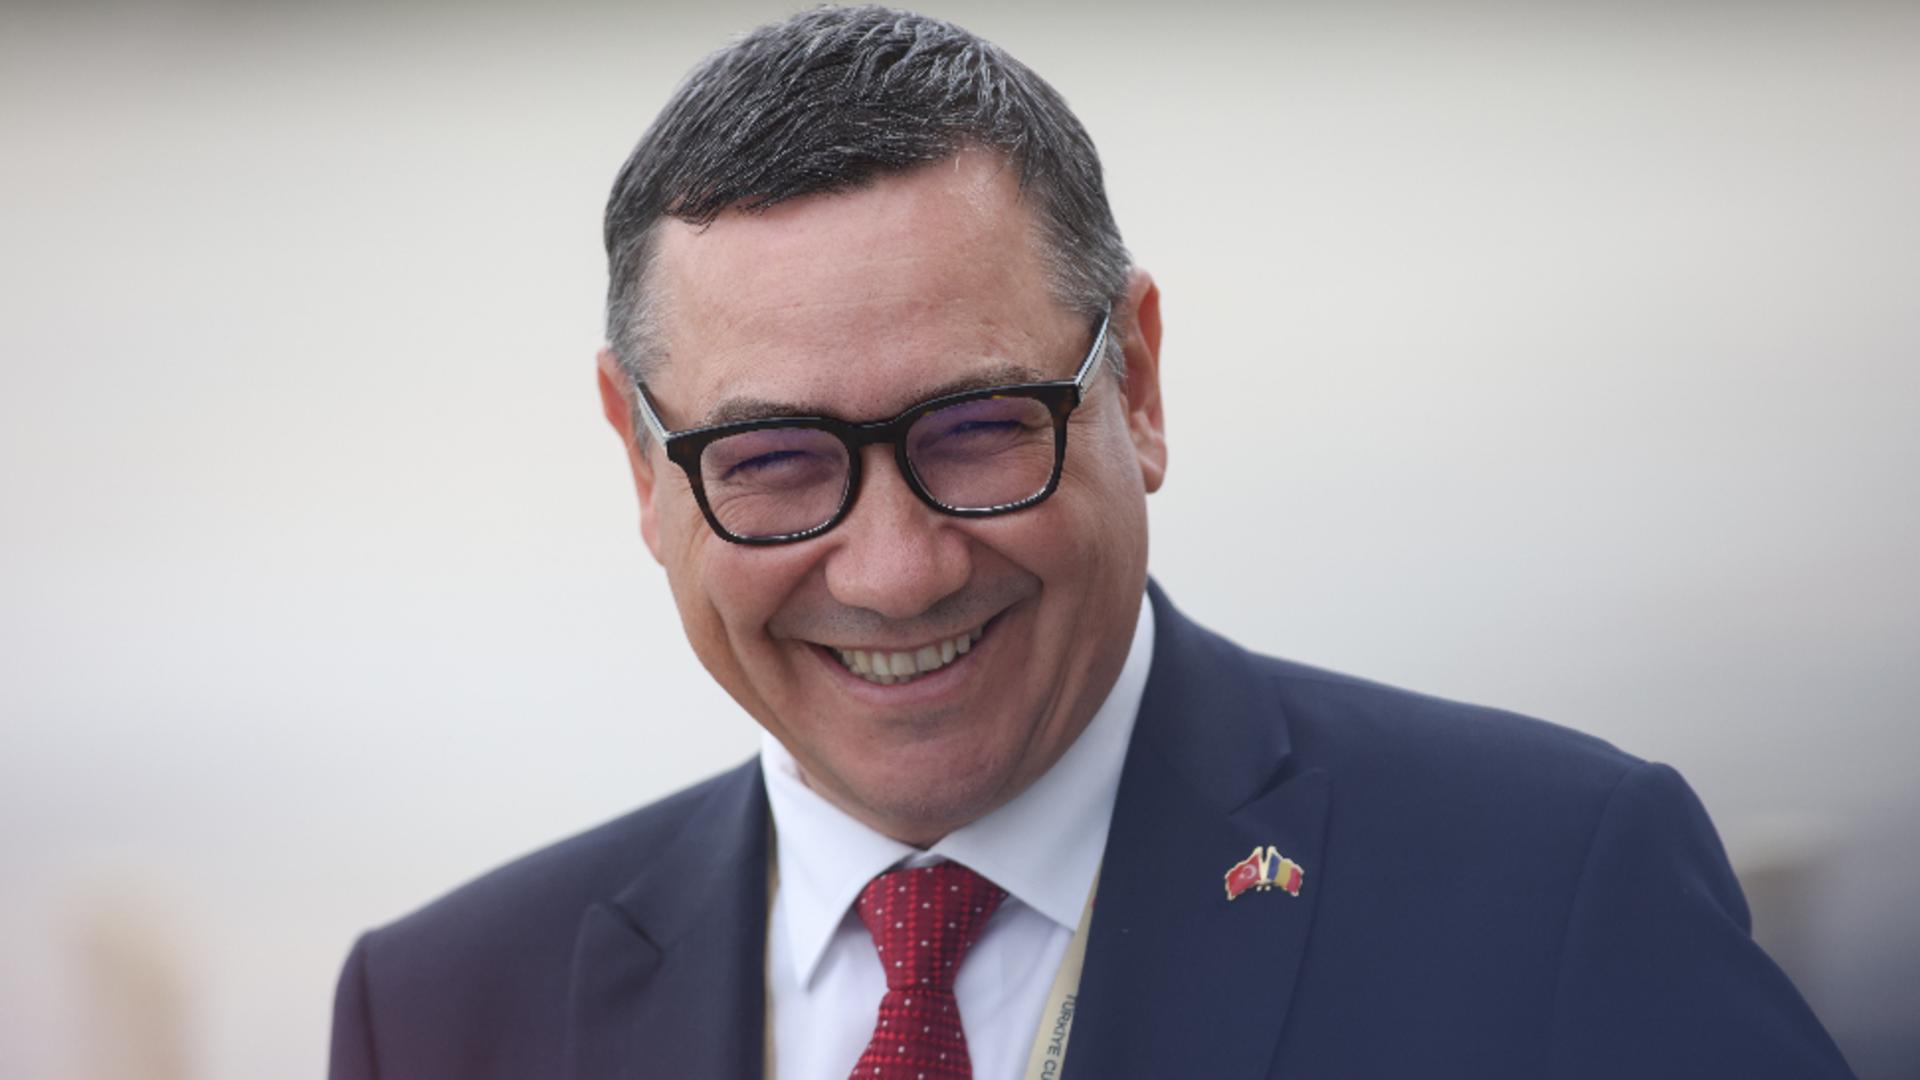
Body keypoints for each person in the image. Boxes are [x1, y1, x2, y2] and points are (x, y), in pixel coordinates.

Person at [328, 8, 1853, 1079]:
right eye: (774, 461)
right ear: (638, 459)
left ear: (1139, 382)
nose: (897, 570)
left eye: (979, 428)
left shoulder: (1544, 892)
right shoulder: (448, 1013)